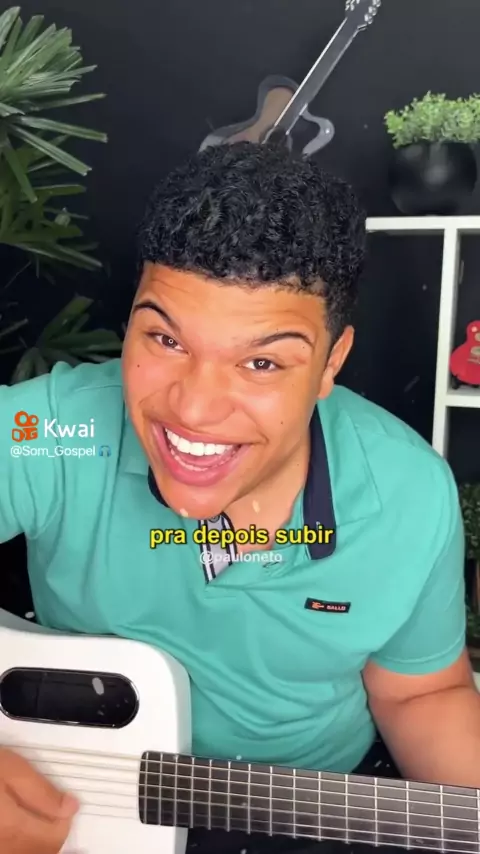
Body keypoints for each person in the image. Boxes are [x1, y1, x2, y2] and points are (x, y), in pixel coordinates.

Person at [0, 140, 477, 854]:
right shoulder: (54, 431)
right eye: (165, 339)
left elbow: (420, 692)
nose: (193, 410)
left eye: (261, 362)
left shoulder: (408, 493)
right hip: (76, 800)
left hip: (304, 813)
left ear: (331, 363)